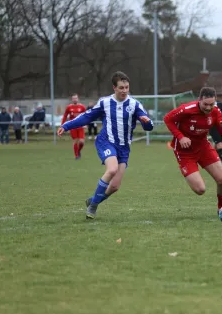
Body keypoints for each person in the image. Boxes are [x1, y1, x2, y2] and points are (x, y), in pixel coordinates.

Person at [57, 71, 154, 219]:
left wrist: (147, 123)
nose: (125, 91)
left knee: (114, 186)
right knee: (112, 169)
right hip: (106, 142)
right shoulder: (105, 102)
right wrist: (66, 125)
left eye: (127, 87)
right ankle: (93, 208)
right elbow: (87, 117)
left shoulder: (134, 104)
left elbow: (149, 126)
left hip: (124, 147)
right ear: (114, 88)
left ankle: (93, 200)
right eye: (121, 87)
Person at [163, 87, 222, 212]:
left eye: (211, 104)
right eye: (205, 104)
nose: (208, 108)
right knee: (200, 190)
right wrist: (181, 137)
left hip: (204, 147)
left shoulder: (216, 111)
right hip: (185, 152)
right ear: (199, 100)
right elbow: (167, 119)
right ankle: (191, 172)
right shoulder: (187, 109)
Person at [61, 94, 87, 159]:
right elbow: (65, 116)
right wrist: (62, 125)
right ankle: (76, 156)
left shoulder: (82, 107)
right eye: (73, 98)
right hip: (72, 126)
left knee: (81, 142)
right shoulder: (69, 107)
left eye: (76, 98)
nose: (75, 99)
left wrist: (86, 124)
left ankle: (78, 151)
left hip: (80, 126)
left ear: (78, 99)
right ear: (72, 99)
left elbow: (86, 116)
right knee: (75, 140)